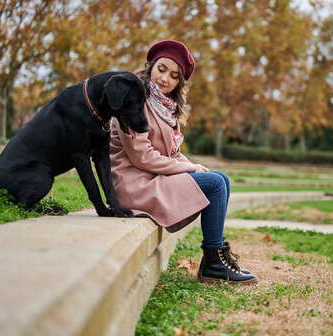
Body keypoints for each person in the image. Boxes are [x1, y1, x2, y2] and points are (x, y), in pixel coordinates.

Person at [109, 40, 257, 285]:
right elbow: (141, 156)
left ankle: (215, 258)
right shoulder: (133, 101)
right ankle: (213, 264)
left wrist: (194, 165)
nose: (165, 78)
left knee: (221, 179)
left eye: (174, 75)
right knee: (215, 185)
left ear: (179, 83)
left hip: (149, 177)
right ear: (150, 68)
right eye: (161, 69)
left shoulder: (166, 108)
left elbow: (172, 153)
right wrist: (190, 168)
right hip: (131, 184)